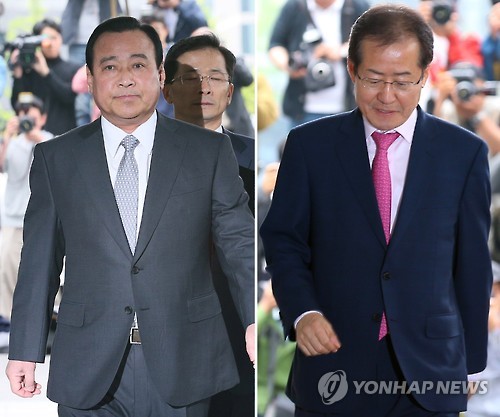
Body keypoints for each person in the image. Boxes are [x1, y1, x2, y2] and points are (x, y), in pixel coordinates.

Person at [5, 16, 255, 417]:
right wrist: (24, 348)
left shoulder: (206, 151)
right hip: (87, 364)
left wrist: (253, 319)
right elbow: (39, 260)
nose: (125, 79)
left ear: (160, 74)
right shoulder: (57, 158)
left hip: (184, 360)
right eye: (110, 67)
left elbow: (239, 242)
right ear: (90, 79)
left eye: (138, 65)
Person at [260, 4, 493, 417]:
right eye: (373, 79)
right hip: (332, 365)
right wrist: (303, 312)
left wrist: (472, 365)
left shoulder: (463, 153)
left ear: (425, 75)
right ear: (352, 70)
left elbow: (472, 266)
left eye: (402, 81)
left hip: (430, 374)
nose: (387, 96)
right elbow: (283, 242)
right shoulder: (309, 146)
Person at [163, 33, 255, 417]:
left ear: (230, 91)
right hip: (166, 332)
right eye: (190, 77)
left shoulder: (255, 159)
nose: (204, 87)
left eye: (215, 77)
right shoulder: (139, 159)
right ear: (167, 89)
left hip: (241, 328)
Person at [268, 0, 369, 127]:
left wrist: (342, 51)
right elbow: (276, 45)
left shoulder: (357, 6)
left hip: (349, 108)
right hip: (302, 110)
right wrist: (288, 65)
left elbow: (374, 43)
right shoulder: (294, 6)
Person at [0, 94, 53, 323]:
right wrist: (7, 136)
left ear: (43, 118)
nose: (27, 122)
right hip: (13, 219)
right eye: (23, 117)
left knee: (40, 272)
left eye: (31, 118)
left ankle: (41, 320)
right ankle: (8, 320)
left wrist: (35, 137)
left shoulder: (49, 140)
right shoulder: (12, 142)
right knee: (7, 271)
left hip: (41, 220)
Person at [10, 18, 80, 135]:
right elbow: (17, 104)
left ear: (61, 38)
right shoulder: (29, 71)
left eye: (54, 38)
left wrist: (46, 73)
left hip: (63, 136)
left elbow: (68, 97)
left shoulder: (73, 68)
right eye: (45, 39)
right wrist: (18, 75)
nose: (51, 43)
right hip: (32, 136)